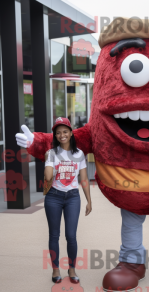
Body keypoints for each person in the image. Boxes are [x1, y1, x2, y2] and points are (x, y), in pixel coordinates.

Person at [44, 117, 92, 283]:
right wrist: (48, 159)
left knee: (71, 235)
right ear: (55, 135)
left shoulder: (79, 154)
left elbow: (84, 179)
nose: (61, 135)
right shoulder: (51, 153)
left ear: (71, 133)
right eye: (58, 133)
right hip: (53, 197)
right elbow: (48, 176)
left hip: (72, 197)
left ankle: (71, 269)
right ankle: (55, 269)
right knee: (54, 235)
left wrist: (89, 200)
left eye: (65, 131)